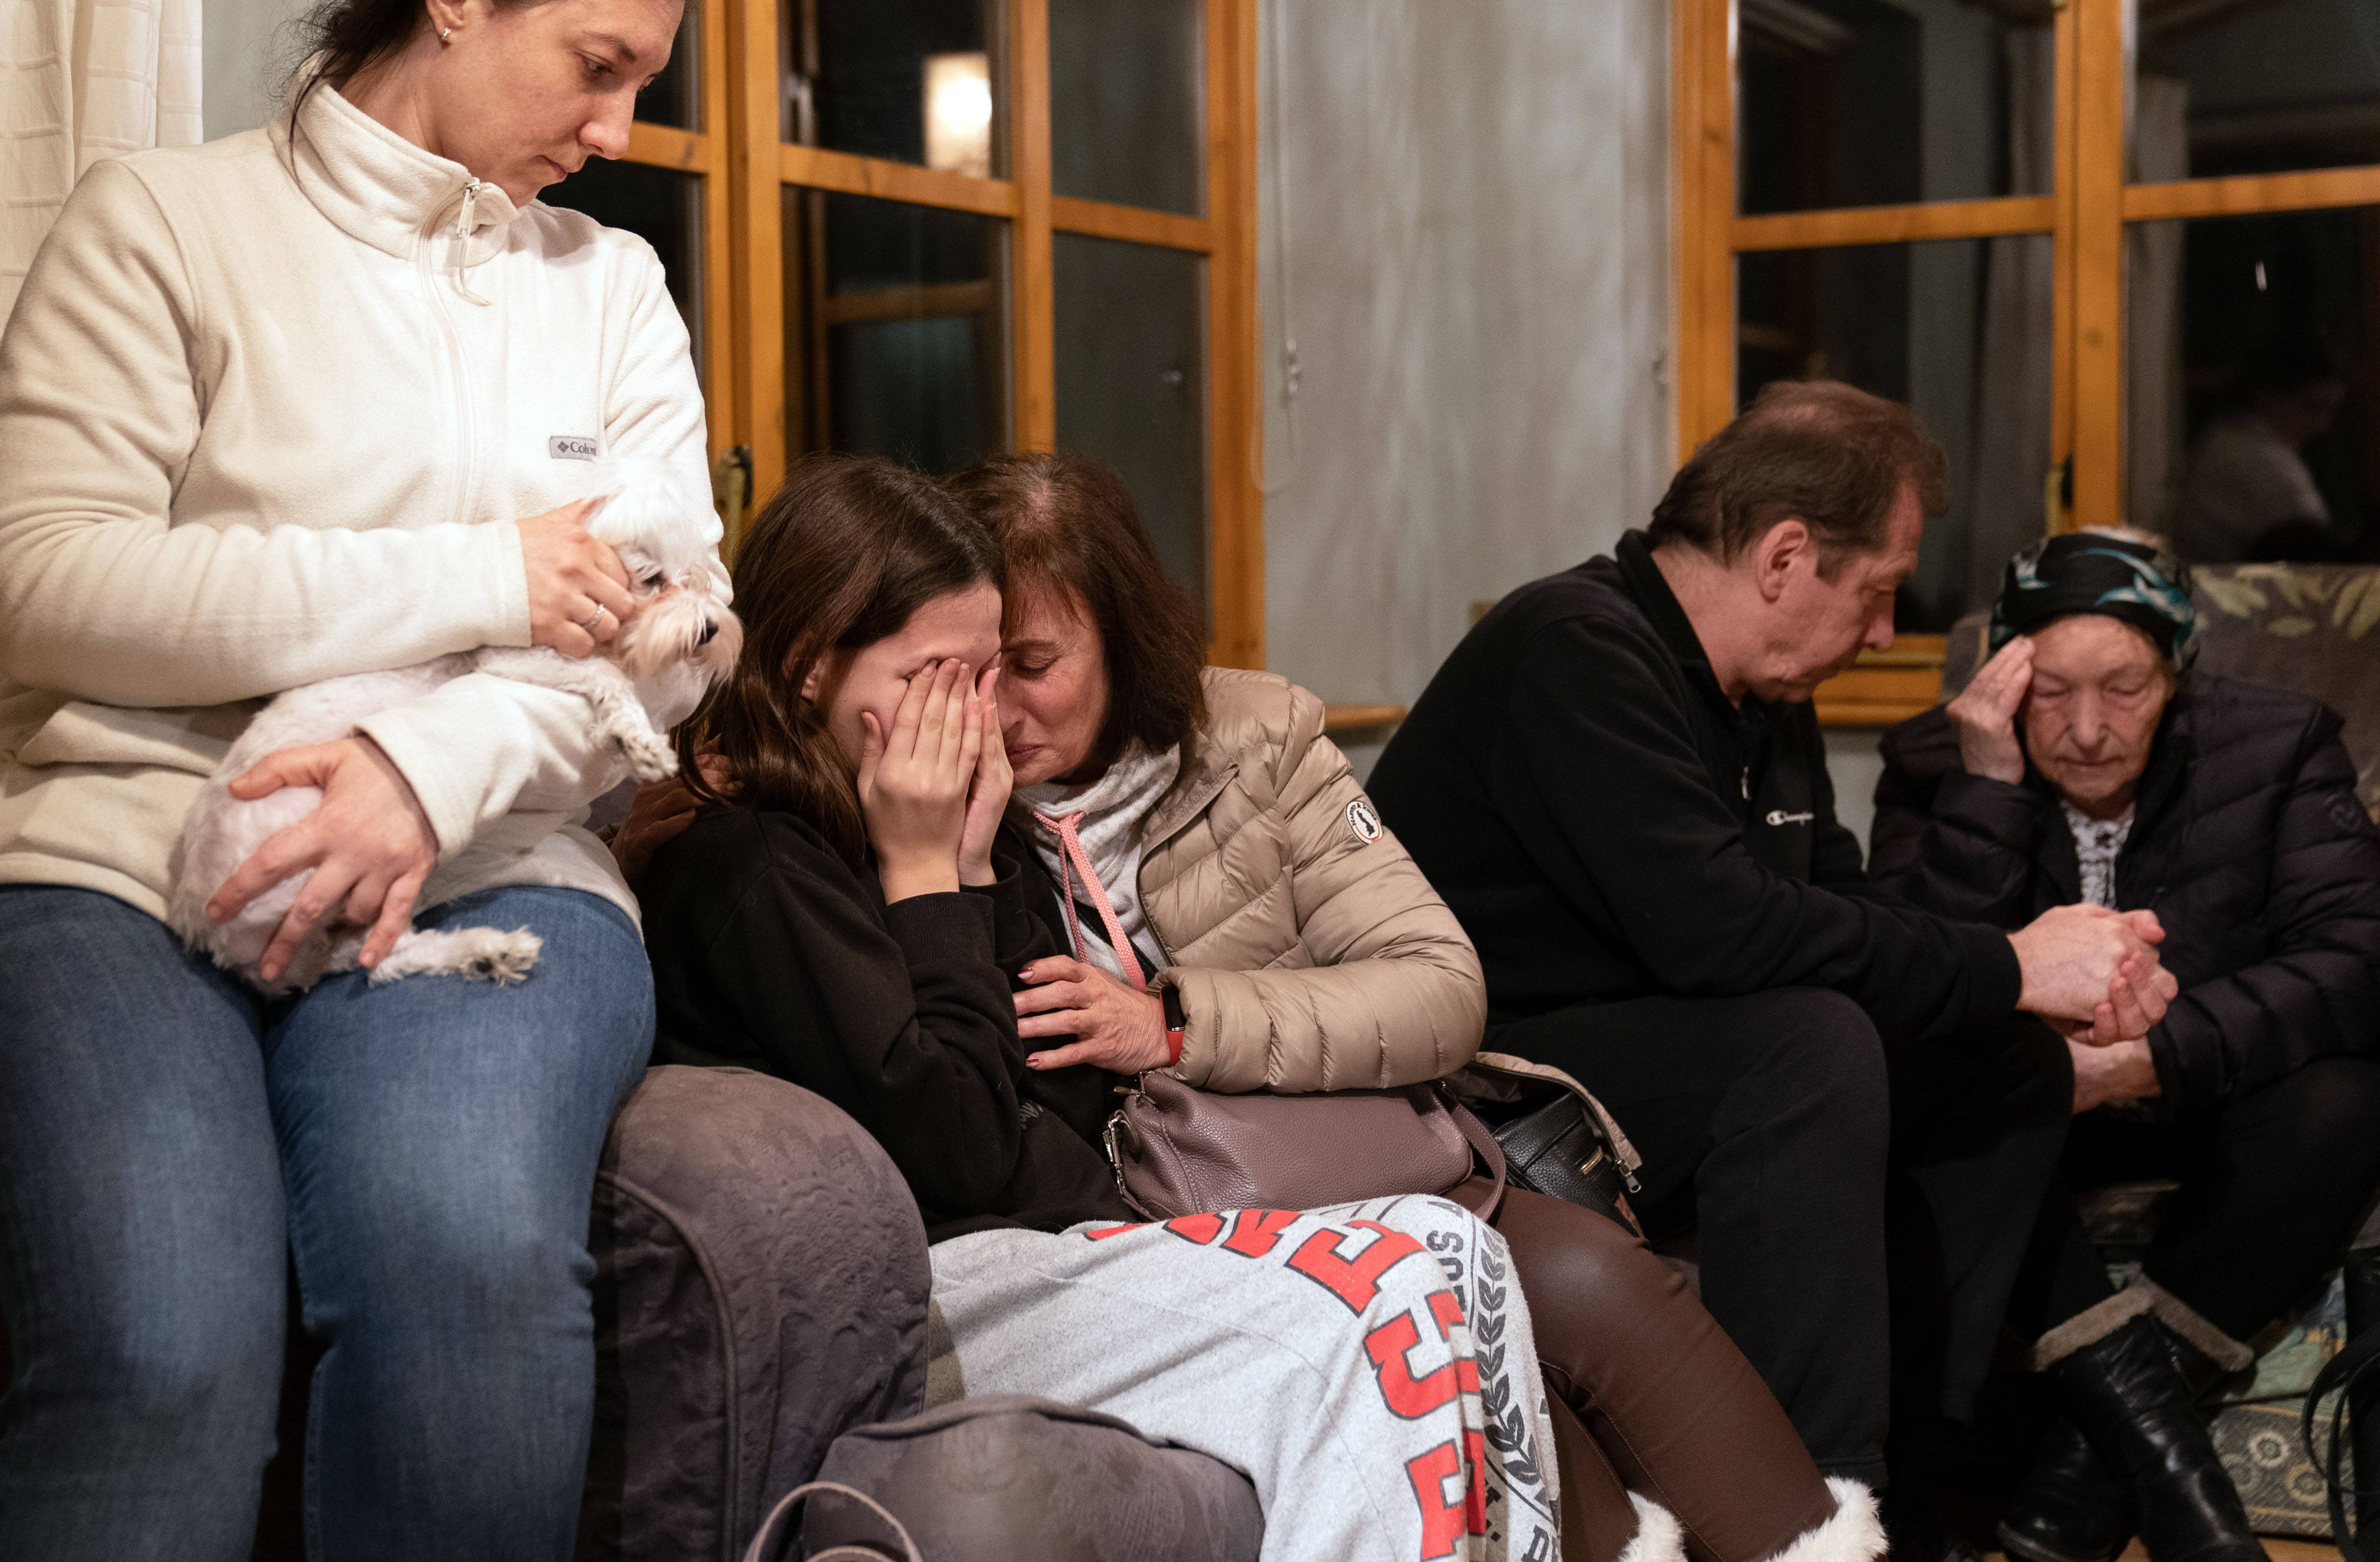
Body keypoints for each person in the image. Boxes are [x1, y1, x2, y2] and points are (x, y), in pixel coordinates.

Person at [0, 0, 715, 1560]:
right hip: (99, 843)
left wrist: (425, 764)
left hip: (493, 864)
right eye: (596, 67)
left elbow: (671, 627)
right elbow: (42, 581)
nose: (615, 133)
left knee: (468, 1275)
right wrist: (483, 576)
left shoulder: (612, 292)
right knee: (164, 1343)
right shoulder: (164, 222)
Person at [633, 452, 1885, 1562]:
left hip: (1294, 1141)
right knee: (1437, 1283)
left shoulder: (1232, 742)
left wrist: (1173, 1020)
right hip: (1129, 1210)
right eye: (953, 673)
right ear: (808, 669)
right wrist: (938, 878)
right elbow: (980, 1134)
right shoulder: (848, 844)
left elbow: (1424, 985)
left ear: (1122, 641)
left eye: (1019, 665)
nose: (986, 715)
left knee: (1565, 1269)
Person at [1366, 380, 2177, 1562]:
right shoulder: (1573, 648)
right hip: (1488, 1074)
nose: (1887, 630)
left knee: (2000, 1060)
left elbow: (1833, 907)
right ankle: (1799, 1507)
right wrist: (2009, 958)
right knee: (1806, 1045)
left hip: (1648, 1042)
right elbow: (1723, 934)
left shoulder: (1762, 695)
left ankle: (1918, 1480)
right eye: (1881, 586)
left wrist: (2026, 998)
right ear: (1788, 554)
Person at [1870, 529, 2380, 1562]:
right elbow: (1909, 990)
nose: (2090, 730)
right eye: (2051, 692)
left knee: (2348, 1099)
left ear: (2179, 671)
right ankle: (2162, 1468)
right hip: (2030, 1118)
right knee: (1942, 1117)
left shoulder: (2278, 744)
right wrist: (1987, 791)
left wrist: (2157, 1053)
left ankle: (2084, 1459)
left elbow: (2357, 957)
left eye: (2127, 688)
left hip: (2210, 1099)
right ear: (2004, 675)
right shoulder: (1936, 760)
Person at [2173, 340, 2349, 563]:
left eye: (2331, 411)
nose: (2323, 426)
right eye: (2312, 407)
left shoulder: (2230, 439)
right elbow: (2320, 554)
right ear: (2268, 398)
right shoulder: (2256, 458)